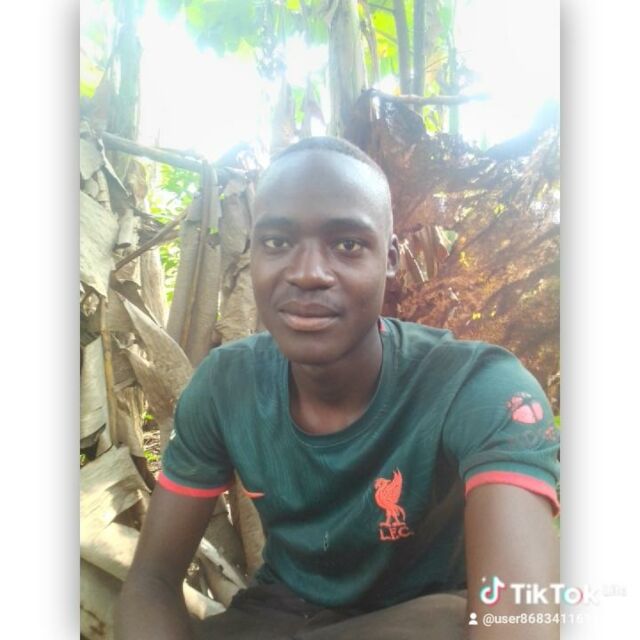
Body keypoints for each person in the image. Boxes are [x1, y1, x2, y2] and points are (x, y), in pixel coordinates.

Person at [116, 136, 560, 640]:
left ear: (389, 259)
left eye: (347, 244)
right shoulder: (226, 387)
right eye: (277, 242)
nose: (307, 274)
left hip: (424, 620)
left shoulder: (476, 388)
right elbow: (151, 581)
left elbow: (516, 619)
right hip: (279, 617)